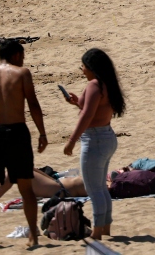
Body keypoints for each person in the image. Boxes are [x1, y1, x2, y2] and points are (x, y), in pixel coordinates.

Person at [0, 39, 47, 249]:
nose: (23, 61)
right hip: (17, 133)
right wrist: (42, 133)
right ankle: (33, 237)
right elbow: (33, 104)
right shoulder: (22, 73)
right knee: (26, 188)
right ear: (16, 55)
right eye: (22, 56)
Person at [62, 48, 125, 240]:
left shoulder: (94, 85)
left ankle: (97, 231)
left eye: (83, 66)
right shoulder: (107, 84)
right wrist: (77, 102)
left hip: (95, 140)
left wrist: (71, 141)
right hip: (107, 136)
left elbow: (87, 116)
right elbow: (94, 109)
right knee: (100, 187)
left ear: (91, 67)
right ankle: (105, 227)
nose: (82, 70)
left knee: (94, 188)